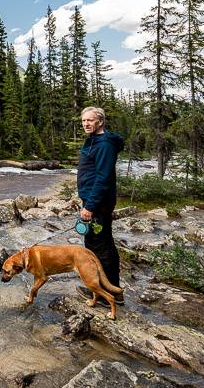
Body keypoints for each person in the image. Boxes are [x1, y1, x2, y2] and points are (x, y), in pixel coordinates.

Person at [75, 106, 125, 304]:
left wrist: (90, 206)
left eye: (90, 120)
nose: (86, 124)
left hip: (98, 204)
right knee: (103, 245)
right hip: (95, 202)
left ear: (100, 122)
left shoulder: (104, 145)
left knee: (98, 248)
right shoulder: (94, 141)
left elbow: (103, 178)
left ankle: (106, 294)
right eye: (84, 121)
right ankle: (112, 291)